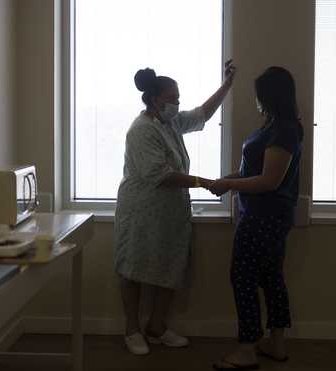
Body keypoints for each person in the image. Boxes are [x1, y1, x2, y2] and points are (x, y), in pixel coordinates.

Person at [114, 61, 236, 355]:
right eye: (173, 99)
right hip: (141, 210)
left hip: (170, 211)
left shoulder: (169, 123)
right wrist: (206, 182)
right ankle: (132, 329)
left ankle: (157, 326)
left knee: (170, 265)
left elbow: (202, 114)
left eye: (178, 99)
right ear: (156, 100)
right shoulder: (141, 130)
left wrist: (227, 86)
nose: (177, 104)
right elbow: (162, 175)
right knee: (134, 267)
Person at [208, 66, 304, 370]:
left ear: (271, 96)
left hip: (264, 217)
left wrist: (229, 185)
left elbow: (269, 181)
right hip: (266, 216)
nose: (257, 101)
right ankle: (275, 344)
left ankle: (247, 349)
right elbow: (255, 173)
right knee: (270, 277)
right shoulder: (273, 126)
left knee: (244, 278)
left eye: (260, 95)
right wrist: (228, 179)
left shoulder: (284, 130)